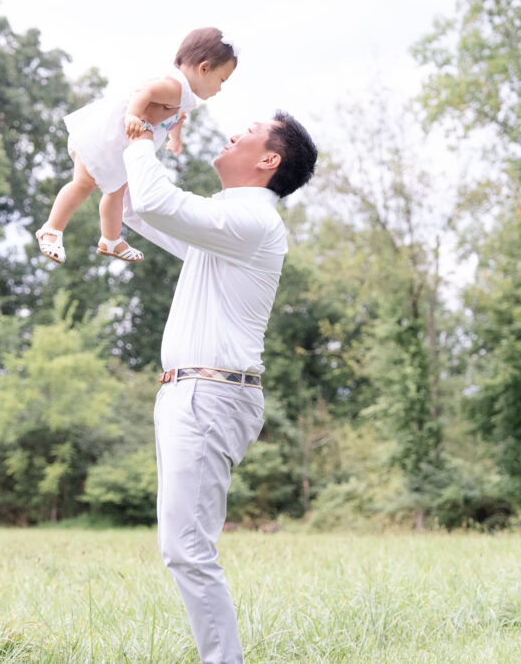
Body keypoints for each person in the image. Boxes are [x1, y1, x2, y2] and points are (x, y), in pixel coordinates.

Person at [122, 111, 317, 664]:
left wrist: (140, 144)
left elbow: (159, 202)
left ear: (268, 159)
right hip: (191, 393)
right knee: (181, 547)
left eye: (248, 131)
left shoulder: (254, 224)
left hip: (211, 394)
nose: (234, 132)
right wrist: (131, 137)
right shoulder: (227, 222)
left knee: (186, 548)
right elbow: (140, 207)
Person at [35, 27, 238, 264]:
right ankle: (51, 229)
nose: (220, 88)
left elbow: (177, 118)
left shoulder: (184, 97)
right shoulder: (174, 86)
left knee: (116, 192)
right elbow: (144, 92)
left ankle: (110, 240)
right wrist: (132, 114)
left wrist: (175, 138)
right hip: (106, 138)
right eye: (221, 80)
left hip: (122, 148)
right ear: (204, 68)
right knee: (83, 184)